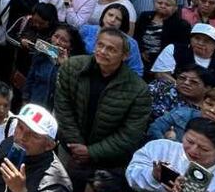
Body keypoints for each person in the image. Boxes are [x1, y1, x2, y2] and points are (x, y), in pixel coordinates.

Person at [56, 29, 152, 171]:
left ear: (125, 56)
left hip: (107, 161)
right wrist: (76, 145)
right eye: (100, 45)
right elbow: (63, 108)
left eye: (111, 49)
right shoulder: (72, 66)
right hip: (69, 147)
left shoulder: (138, 89)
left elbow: (130, 133)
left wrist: (91, 152)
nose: (103, 51)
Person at [148, 86, 215, 175]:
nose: (212, 110)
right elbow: (153, 130)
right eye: (209, 104)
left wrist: (171, 141)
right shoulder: (182, 114)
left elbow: (205, 178)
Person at [150, 22, 215, 87]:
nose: (200, 43)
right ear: (190, 38)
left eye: (206, 41)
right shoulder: (174, 49)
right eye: (197, 38)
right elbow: (161, 74)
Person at [134, 0, 192, 69]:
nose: (163, 6)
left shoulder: (181, 25)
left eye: (167, 5)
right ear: (154, 3)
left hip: (165, 61)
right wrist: (141, 51)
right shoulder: (144, 16)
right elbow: (136, 35)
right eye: (160, 3)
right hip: (141, 56)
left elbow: (181, 46)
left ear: (175, 8)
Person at [81, 5, 144, 75]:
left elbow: (137, 71)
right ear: (103, 15)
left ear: (122, 23)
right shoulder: (85, 30)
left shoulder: (130, 43)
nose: (112, 20)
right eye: (110, 15)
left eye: (118, 19)